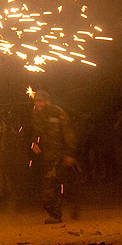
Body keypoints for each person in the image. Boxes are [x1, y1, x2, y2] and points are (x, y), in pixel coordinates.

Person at [30, 90, 81, 223]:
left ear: (48, 101)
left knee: (62, 183)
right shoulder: (35, 114)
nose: (38, 104)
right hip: (48, 155)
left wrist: (70, 154)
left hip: (61, 153)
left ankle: (65, 209)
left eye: (41, 101)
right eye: (36, 101)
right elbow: (37, 132)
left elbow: (69, 134)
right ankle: (55, 213)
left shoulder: (58, 113)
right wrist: (35, 143)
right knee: (51, 183)